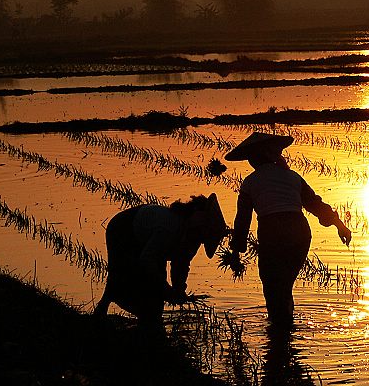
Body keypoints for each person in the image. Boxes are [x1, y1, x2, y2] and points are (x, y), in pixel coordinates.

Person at [225, 132, 351, 328]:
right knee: (284, 285)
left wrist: (236, 251)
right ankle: (285, 328)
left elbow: (243, 219)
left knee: (273, 285)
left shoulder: (250, 182)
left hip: (273, 232)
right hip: (299, 232)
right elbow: (315, 205)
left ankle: (280, 330)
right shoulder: (292, 177)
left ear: (255, 158)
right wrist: (340, 225)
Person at [93, 194, 229, 327]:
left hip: (150, 244)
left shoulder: (193, 236)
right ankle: (108, 308)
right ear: (197, 215)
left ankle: (146, 318)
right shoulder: (169, 226)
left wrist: (179, 289)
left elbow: (181, 263)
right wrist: (166, 290)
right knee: (124, 274)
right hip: (124, 228)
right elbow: (147, 260)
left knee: (156, 297)